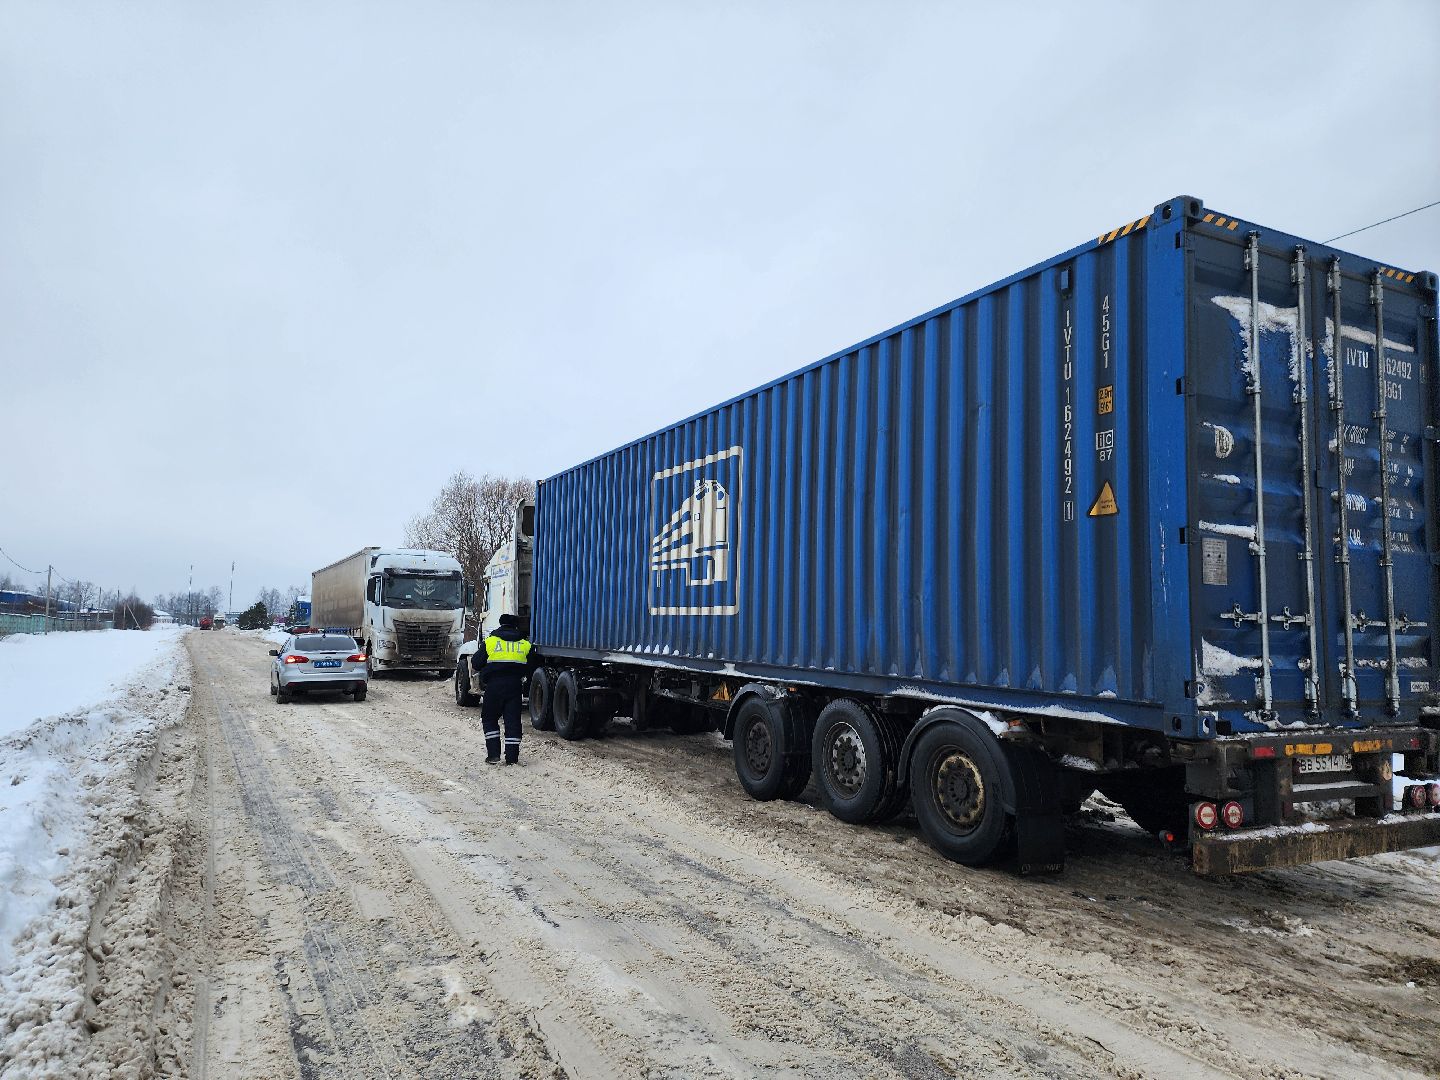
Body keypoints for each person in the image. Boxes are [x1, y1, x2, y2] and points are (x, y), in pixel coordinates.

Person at [474, 614, 534, 765]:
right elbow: (533, 666)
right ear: (516, 626)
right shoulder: (525, 644)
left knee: (489, 718)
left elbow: (476, 663)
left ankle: (493, 755)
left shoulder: (491, 641)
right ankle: (512, 758)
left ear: (500, 624)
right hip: (515, 686)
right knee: (512, 721)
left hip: (494, 686)